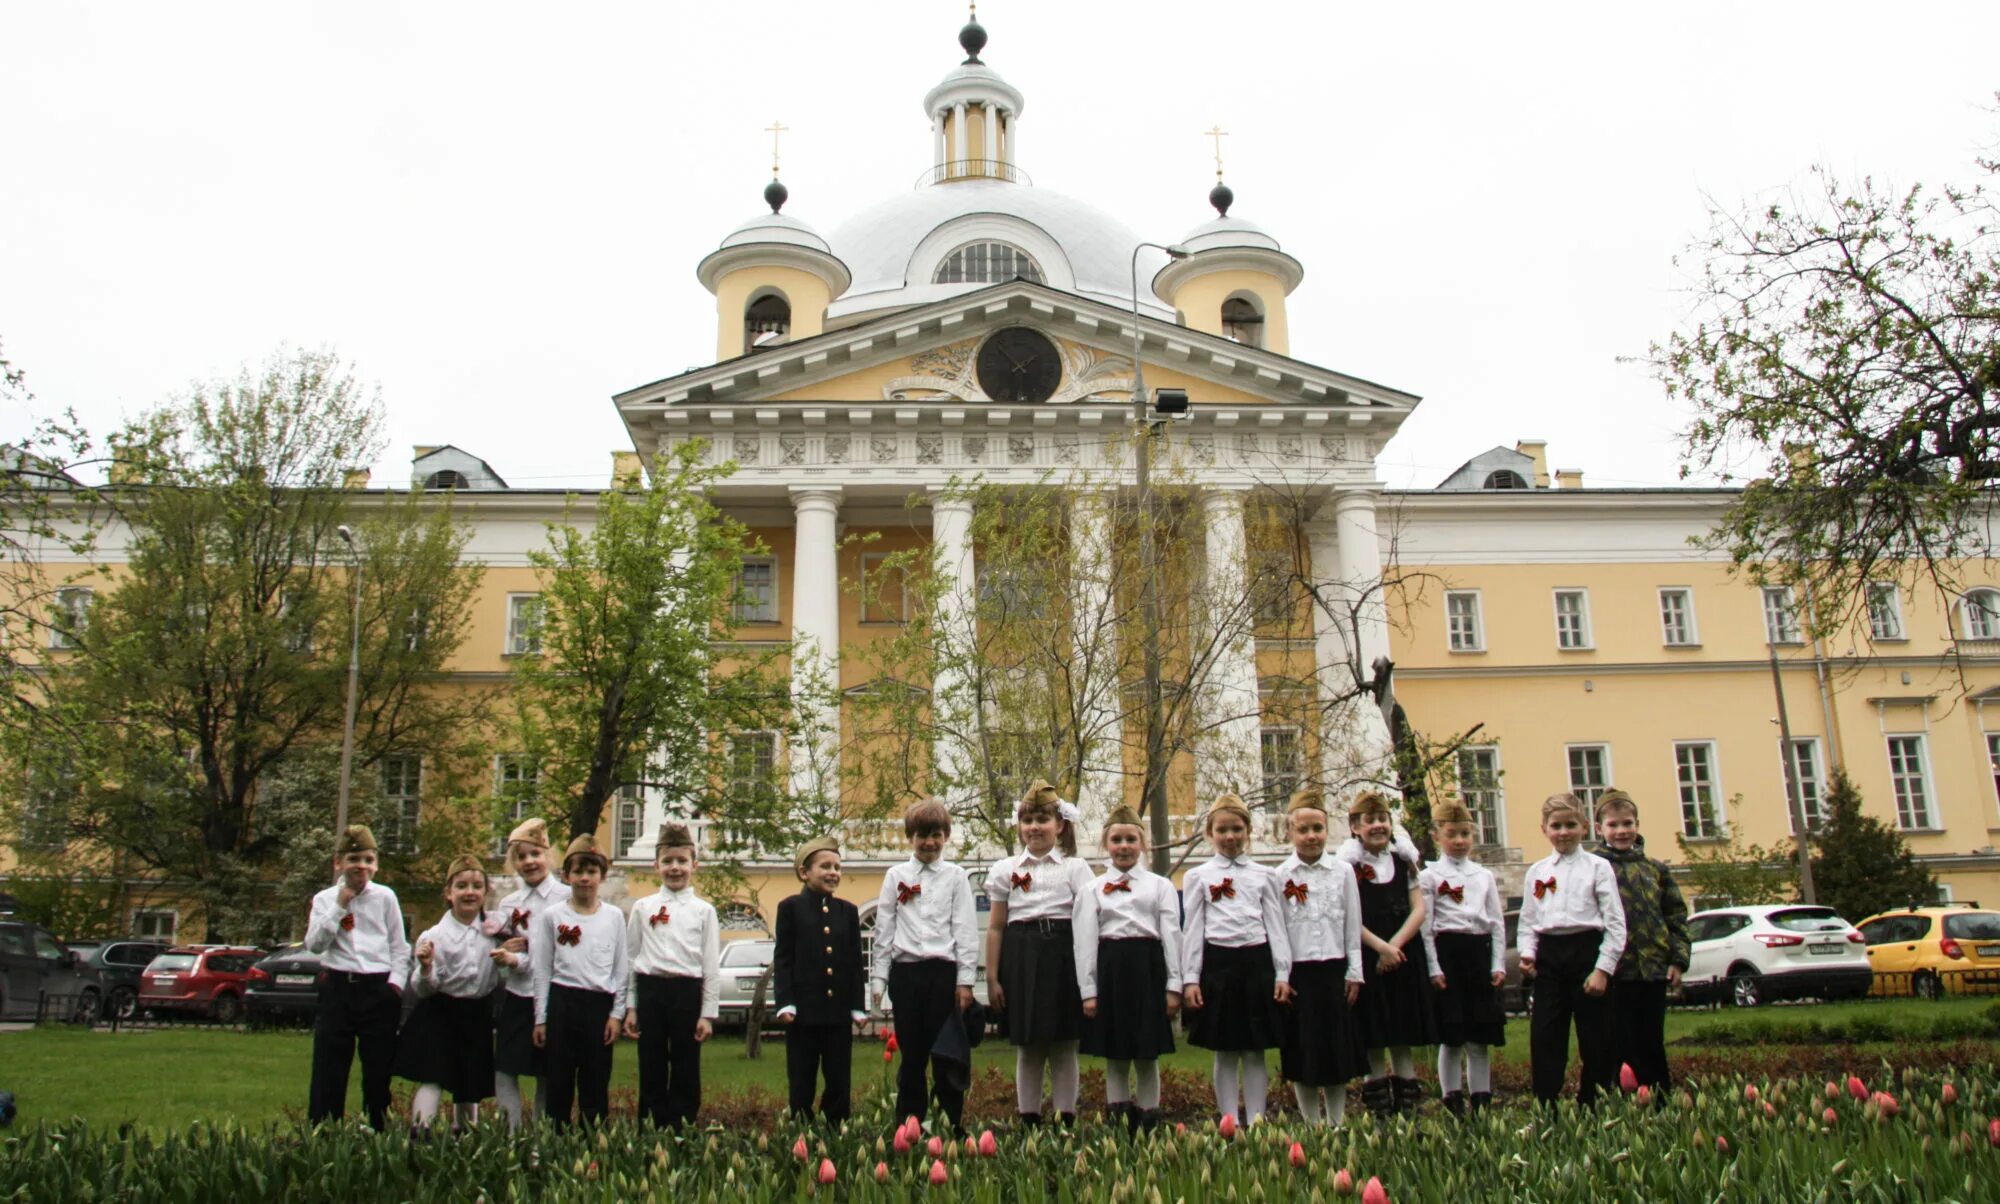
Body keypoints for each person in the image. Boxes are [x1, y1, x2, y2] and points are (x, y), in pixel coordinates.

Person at [986, 779, 1095, 1126]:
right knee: (1029, 1045)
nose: (1034, 827)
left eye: (1042, 820)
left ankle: (1066, 1118)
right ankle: (1029, 1119)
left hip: (1064, 955)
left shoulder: (1075, 868)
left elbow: (1089, 923)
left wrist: (1088, 977)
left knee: (1064, 1044)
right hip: (1022, 956)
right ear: (1019, 826)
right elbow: (996, 926)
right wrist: (992, 977)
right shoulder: (1006, 870)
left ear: (1059, 825)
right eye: (1027, 820)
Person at [1181, 792, 1294, 1126]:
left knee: (1254, 1048)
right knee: (1225, 1049)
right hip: (1219, 965)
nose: (1230, 836)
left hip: (1256, 963)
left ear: (1248, 831)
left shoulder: (1265, 875)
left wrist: (1282, 973)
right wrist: (1191, 977)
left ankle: (1258, 1119)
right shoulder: (1198, 876)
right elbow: (1193, 929)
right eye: (1222, 830)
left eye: (1236, 829)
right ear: (1210, 834)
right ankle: (1228, 1120)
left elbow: (1276, 926)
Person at [870, 798, 979, 1133]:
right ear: (910, 837)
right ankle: (910, 1127)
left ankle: (949, 1127)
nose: (929, 842)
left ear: (945, 836)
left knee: (947, 1056)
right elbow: (883, 929)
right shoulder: (896, 876)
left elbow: (964, 929)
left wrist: (965, 981)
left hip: (943, 976)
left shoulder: (956, 876)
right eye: (922, 835)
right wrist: (878, 980)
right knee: (912, 1057)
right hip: (907, 975)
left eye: (936, 834)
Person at [1073, 804, 1181, 1130]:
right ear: (1107, 844)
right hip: (1111, 973)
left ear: (1142, 844)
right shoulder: (1091, 889)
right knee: (1117, 1057)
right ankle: (1118, 1124)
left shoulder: (1160, 886)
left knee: (1147, 1056)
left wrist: (1174, 985)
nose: (1123, 846)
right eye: (1117, 839)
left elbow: (1172, 936)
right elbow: (1085, 942)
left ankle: (1149, 1122)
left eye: (1131, 839)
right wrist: (1088, 990)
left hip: (1149, 971)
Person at [1519, 792, 1628, 1107]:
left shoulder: (1598, 867)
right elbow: (1528, 921)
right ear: (1545, 829)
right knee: (1545, 1037)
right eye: (1556, 826)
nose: (1563, 832)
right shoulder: (1537, 872)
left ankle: (1592, 1106)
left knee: (1596, 1038)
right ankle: (1546, 1106)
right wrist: (1528, 953)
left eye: (1570, 825)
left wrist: (1602, 969)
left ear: (1584, 827)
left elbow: (1616, 924)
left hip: (1587, 953)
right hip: (1550, 959)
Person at [305, 824, 411, 1128]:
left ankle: (378, 1130)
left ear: (376, 864)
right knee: (330, 1067)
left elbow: (399, 945)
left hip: (378, 989)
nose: (361, 867)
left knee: (378, 1069)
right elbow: (315, 945)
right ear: (338, 863)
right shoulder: (325, 900)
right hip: (338, 988)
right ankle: (323, 1131)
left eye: (367, 860)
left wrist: (395, 985)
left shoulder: (385, 898)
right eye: (353, 860)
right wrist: (340, 906)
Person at [1273, 789, 1366, 1127]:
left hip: (1333, 970)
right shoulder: (1280, 876)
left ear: (1327, 830)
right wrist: (1282, 976)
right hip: (1299, 975)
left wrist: (1354, 971)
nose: (1311, 836)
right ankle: (1311, 1123)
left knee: (1335, 1050)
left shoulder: (1341, 873)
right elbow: (1278, 931)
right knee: (1304, 1052)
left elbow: (1351, 924)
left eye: (1318, 828)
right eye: (1303, 829)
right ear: (1289, 832)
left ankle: (1337, 1122)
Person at [1342, 790, 1438, 1116]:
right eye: (1370, 820)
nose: (1378, 825)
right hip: (1370, 958)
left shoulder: (1403, 862)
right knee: (1374, 1036)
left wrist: (1394, 946)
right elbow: (1349, 917)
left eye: (1383, 819)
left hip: (1403, 958)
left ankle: (1408, 1111)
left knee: (1402, 1035)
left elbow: (1419, 910)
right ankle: (1380, 1113)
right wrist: (1380, 948)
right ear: (1356, 827)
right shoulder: (1349, 868)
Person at [1593, 788, 1689, 1094]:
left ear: (1637, 824)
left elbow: (1675, 916)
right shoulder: (1594, 868)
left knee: (1651, 1041)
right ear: (1600, 829)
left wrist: (1677, 960)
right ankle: (1621, 1097)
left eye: (1627, 824)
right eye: (1614, 825)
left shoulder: (1655, 869)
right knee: (1617, 1042)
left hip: (1652, 971)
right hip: (1615, 973)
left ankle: (1660, 1099)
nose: (1621, 831)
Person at [396, 853, 502, 1132]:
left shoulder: (495, 931)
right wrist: (426, 967)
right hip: (441, 1013)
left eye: (477, 886)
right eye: (462, 886)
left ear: (486, 891)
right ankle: (422, 1134)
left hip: (477, 1012)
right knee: (434, 1076)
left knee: (470, 1083)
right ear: (448, 893)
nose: (470, 892)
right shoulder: (434, 936)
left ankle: (467, 1136)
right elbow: (421, 988)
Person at [624, 822, 720, 1129]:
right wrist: (631, 1006)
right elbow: (630, 958)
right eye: (668, 861)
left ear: (695, 864)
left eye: (681, 861)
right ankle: (650, 1130)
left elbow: (710, 966)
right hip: (651, 991)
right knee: (650, 1064)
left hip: (687, 992)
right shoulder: (643, 907)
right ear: (656, 865)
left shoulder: (704, 911)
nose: (675, 868)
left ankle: (683, 1130)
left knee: (685, 1066)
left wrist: (707, 1014)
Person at [531, 834, 629, 1127]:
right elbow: (542, 969)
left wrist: (616, 1014)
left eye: (591, 872)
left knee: (595, 1083)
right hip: (563, 1002)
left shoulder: (613, 917)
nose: (584, 878)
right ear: (566, 875)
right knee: (559, 1083)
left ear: (602, 875)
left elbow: (620, 968)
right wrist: (541, 1018)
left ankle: (592, 1150)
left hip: (598, 1005)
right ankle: (556, 1147)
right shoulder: (553, 916)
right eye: (578, 872)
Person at [1419, 799, 1507, 1117]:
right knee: (1452, 1036)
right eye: (1452, 834)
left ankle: (1481, 1101)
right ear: (1437, 836)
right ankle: (1452, 1100)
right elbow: (1426, 927)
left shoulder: (1483, 875)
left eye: (1465, 834)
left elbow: (1496, 922)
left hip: (1477, 954)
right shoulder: (1430, 876)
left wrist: (1497, 963)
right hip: (1448, 954)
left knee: (1478, 1037)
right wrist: (1434, 966)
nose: (1459, 841)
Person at [774, 836, 866, 1126]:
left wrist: (857, 1006)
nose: (833, 872)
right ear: (804, 872)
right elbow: (784, 959)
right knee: (802, 1080)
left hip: (837, 1013)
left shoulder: (848, 912)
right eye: (825, 866)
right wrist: (785, 1002)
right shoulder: (790, 908)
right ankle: (801, 1132)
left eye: (837, 867)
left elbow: (854, 963)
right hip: (803, 1013)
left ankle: (835, 1132)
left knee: (839, 1080)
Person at [491, 817, 572, 1129]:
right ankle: (509, 1136)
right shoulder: (509, 903)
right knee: (505, 1069)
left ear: (548, 855)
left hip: (553, 996)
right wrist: (506, 952)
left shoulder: (565, 897)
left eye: (535, 854)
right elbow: (501, 952)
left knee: (547, 1072)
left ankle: (541, 1138)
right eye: (521, 857)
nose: (529, 862)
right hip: (518, 995)